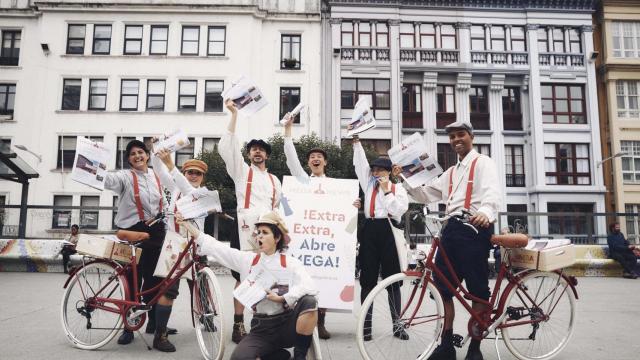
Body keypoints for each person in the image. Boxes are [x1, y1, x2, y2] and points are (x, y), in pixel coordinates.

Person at [392, 121, 501, 360]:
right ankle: (446, 345)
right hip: (450, 231)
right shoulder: (451, 172)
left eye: (460, 134)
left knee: (478, 291)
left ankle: (475, 348)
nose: (456, 140)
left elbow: (492, 192)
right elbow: (426, 193)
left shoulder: (483, 163)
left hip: (474, 229)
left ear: (471, 136)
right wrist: (403, 181)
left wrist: (486, 212)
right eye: (452, 137)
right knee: (442, 290)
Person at [178, 210, 317, 360]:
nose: (259, 236)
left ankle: (299, 356)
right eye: (258, 233)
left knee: (309, 301)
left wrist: (283, 298)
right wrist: (187, 225)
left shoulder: (291, 263)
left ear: (277, 237)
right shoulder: (247, 260)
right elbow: (215, 246)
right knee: (239, 358)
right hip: (262, 328)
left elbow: (310, 286)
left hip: (287, 324)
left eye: (265, 232)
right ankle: (279, 356)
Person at [282, 114, 361, 339]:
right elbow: (290, 159)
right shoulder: (301, 182)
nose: (315, 159)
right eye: (312, 157)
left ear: (325, 162)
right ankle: (298, 321)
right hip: (305, 242)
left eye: (319, 156)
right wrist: (288, 132)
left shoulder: (336, 187)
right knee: (301, 280)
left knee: (326, 279)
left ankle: (321, 322)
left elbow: (346, 215)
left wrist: (354, 204)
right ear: (308, 163)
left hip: (326, 244)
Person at [104, 139, 178, 352]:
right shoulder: (124, 177)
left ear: (147, 155)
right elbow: (107, 179)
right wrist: (93, 163)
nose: (137, 156)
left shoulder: (157, 176)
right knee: (131, 280)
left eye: (141, 152)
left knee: (155, 279)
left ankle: (154, 323)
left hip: (156, 232)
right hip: (132, 233)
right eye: (133, 154)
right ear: (128, 159)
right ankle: (128, 328)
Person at [219, 99, 283, 343]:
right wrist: (234, 115)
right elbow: (228, 148)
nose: (257, 151)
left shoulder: (275, 181)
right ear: (248, 154)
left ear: (267, 154)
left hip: (268, 232)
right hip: (244, 229)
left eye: (261, 149)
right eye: (253, 148)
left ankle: (263, 322)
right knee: (242, 278)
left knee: (267, 277)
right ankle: (238, 324)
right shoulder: (241, 172)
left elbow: (282, 209)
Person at [352, 135, 409, 341]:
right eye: (374, 170)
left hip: (389, 231)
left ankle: (397, 325)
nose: (376, 173)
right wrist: (357, 142)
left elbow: (398, 210)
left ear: (388, 172)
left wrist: (386, 190)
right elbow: (360, 163)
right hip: (370, 231)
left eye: (380, 170)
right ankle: (365, 327)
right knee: (367, 280)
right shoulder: (367, 184)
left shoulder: (398, 189)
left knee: (393, 281)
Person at [149, 149, 209, 335]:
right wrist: (156, 150)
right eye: (190, 172)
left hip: (196, 245)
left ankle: (207, 320)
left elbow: (188, 190)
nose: (193, 175)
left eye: (197, 173)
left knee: (202, 288)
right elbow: (159, 170)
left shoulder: (204, 194)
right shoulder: (176, 188)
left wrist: (172, 166)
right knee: (168, 290)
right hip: (174, 244)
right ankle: (160, 335)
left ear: (202, 178)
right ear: (184, 174)